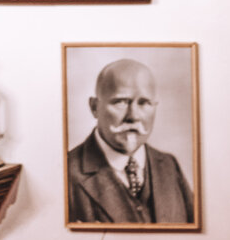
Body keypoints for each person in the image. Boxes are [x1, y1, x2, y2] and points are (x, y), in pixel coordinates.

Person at [67, 58, 194, 226]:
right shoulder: (67, 173)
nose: (133, 116)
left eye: (144, 103)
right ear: (94, 107)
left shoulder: (169, 166)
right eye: (121, 102)